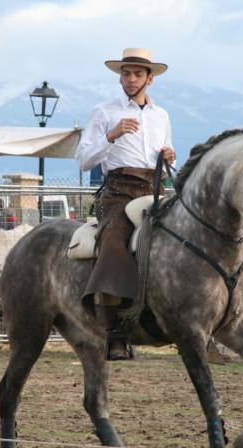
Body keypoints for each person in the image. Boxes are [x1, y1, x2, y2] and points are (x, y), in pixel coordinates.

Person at [75, 47, 175, 361]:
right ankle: (115, 335)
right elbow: (83, 160)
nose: (130, 79)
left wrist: (169, 156)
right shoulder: (104, 112)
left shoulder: (161, 116)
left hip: (155, 188)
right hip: (117, 192)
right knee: (114, 247)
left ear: (150, 78)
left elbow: (165, 153)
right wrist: (111, 135)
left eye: (137, 74)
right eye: (126, 73)